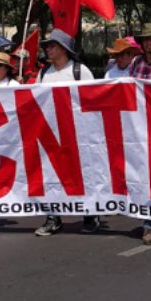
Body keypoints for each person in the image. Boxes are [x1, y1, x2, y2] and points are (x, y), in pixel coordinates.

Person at [33, 29, 100, 237]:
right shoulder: (44, 73)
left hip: (77, 133)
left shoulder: (80, 71)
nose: (48, 49)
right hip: (51, 134)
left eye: (51, 45)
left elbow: (91, 102)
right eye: (47, 46)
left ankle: (90, 213)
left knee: (83, 173)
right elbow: (36, 99)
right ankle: (53, 217)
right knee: (51, 175)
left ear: (63, 48)